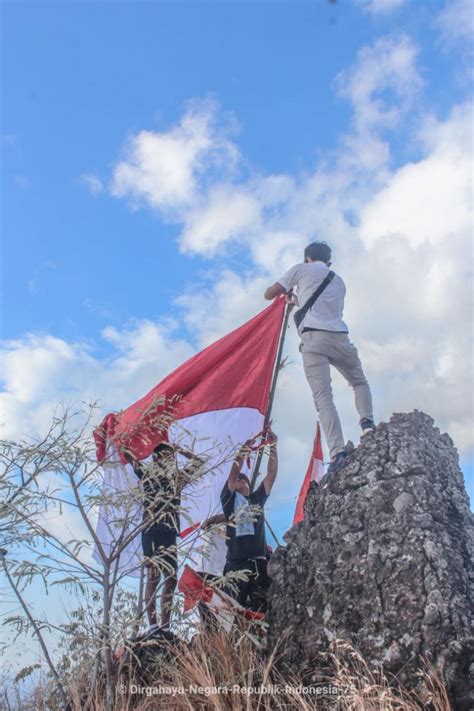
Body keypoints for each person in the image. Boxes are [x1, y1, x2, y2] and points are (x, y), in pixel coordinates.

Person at [264, 241, 375, 478]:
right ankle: (367, 424)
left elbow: (269, 293)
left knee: (323, 399)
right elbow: (324, 308)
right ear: (329, 261)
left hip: (313, 340)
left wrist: (289, 294)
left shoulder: (300, 269)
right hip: (340, 337)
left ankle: (337, 453)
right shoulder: (339, 281)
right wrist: (298, 302)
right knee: (359, 382)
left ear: (307, 258)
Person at [127, 442, 203, 631]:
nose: (170, 460)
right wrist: (132, 441)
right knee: (153, 577)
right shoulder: (147, 475)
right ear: (156, 458)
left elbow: (198, 462)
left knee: (170, 578)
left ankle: (166, 627)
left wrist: (181, 450)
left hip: (169, 533)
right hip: (151, 531)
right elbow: (130, 456)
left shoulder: (176, 479)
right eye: (166, 456)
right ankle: (153, 627)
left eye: (172, 457)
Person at [220, 430, 278, 613]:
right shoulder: (229, 502)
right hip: (236, 566)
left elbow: (271, 474)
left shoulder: (256, 500)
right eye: (239, 480)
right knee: (234, 613)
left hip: (259, 565)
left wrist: (273, 447)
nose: (242, 481)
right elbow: (233, 473)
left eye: (245, 480)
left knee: (260, 611)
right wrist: (242, 452)